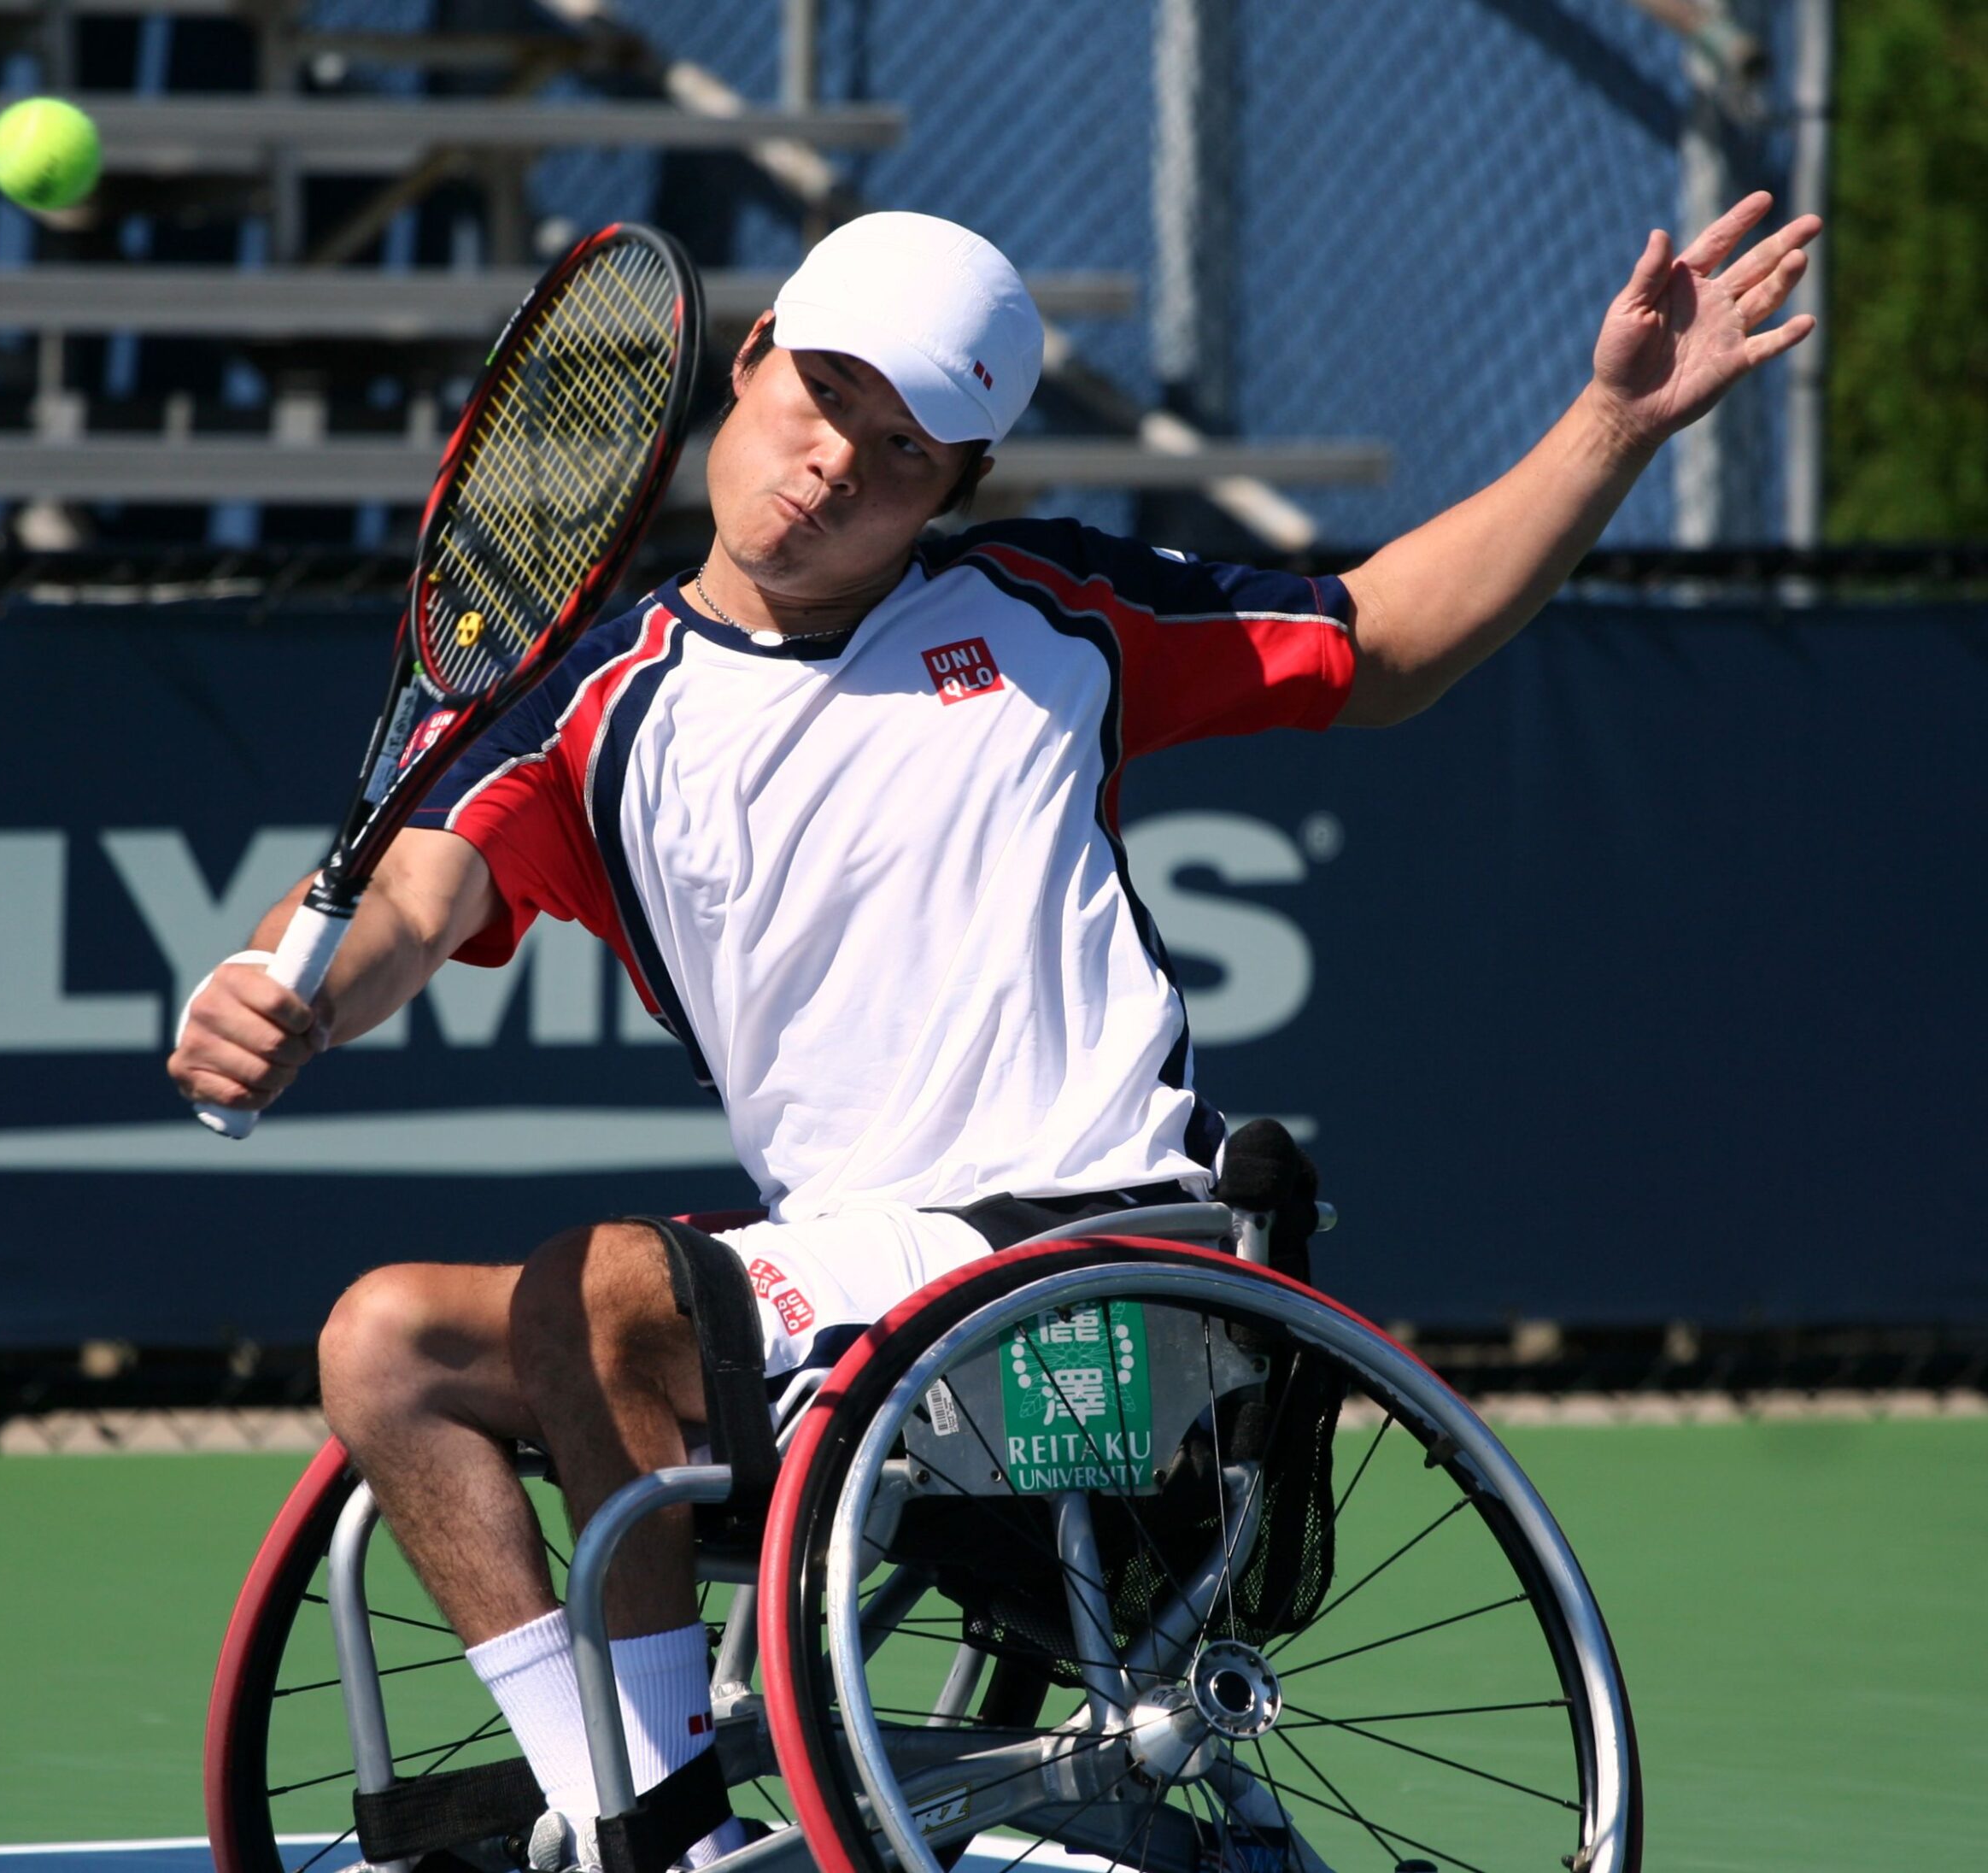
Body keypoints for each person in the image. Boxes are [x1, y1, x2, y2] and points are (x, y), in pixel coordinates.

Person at [168, 198, 1816, 1868]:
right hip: (852, 1291)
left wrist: (1610, 423)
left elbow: (1375, 641)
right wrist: (285, 994)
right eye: (820, 400)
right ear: (748, 366)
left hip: (1101, 1249)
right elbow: (402, 908)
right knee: (387, 1339)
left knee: (600, 1292)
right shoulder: (591, 707)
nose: (832, 466)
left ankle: (657, 1825)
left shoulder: (1053, 614)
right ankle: (625, 1806)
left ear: (952, 491)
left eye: (901, 450)